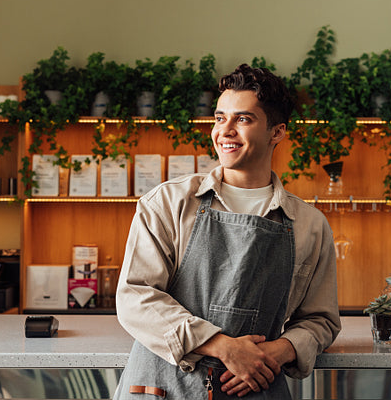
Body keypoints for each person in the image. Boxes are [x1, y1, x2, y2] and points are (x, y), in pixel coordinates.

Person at [114, 64, 341, 399]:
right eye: (220, 118)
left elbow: (320, 320)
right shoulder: (168, 202)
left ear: (276, 132)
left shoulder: (309, 224)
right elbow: (135, 296)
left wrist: (277, 352)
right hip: (162, 385)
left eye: (243, 119)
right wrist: (223, 347)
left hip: (255, 385)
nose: (225, 131)